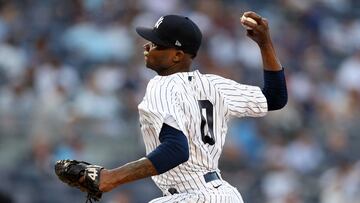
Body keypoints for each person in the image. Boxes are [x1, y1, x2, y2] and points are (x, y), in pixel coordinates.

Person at [96, 11, 287, 202]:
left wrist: (112, 177)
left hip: (191, 196)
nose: (147, 47)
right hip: (225, 195)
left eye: (156, 44)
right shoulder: (214, 85)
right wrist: (265, 44)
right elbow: (275, 97)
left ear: (177, 55)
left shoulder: (161, 85)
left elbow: (176, 149)